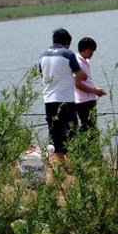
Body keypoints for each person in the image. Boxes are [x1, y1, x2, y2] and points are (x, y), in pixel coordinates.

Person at [38, 28, 86, 163]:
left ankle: (63, 165)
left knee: (56, 133)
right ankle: (75, 163)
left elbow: (42, 75)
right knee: (72, 131)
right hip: (65, 99)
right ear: (67, 42)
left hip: (48, 99)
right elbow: (81, 75)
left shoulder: (43, 55)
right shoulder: (68, 54)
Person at [74, 37, 106, 133]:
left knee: (91, 126)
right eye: (91, 50)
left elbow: (86, 82)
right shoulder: (77, 62)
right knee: (88, 127)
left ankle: (89, 146)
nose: (92, 53)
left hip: (89, 99)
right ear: (85, 49)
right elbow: (77, 84)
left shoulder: (85, 60)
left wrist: (96, 89)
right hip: (83, 101)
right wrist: (95, 91)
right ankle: (84, 147)